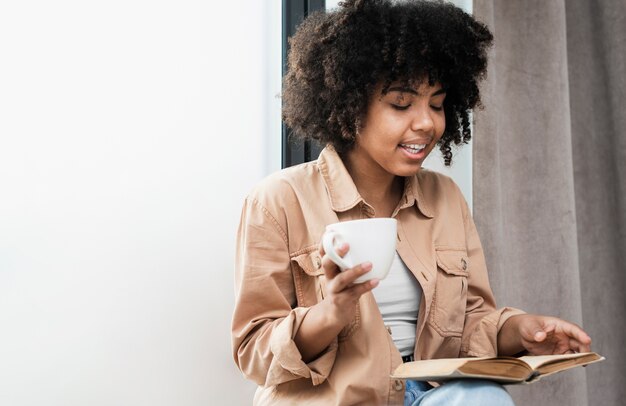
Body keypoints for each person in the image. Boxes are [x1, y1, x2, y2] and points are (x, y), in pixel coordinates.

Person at [231, 1, 592, 405]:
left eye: (436, 104)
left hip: (434, 394)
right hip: (334, 399)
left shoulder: (446, 198)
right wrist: (330, 314)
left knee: (483, 399)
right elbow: (253, 351)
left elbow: (471, 321)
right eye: (401, 104)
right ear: (348, 106)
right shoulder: (278, 200)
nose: (426, 123)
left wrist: (521, 331)